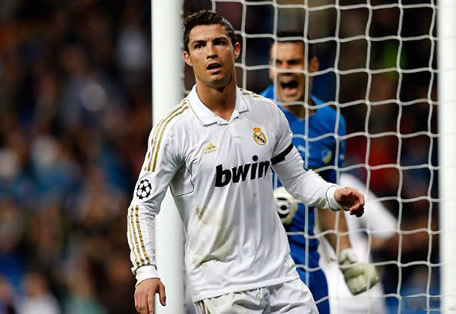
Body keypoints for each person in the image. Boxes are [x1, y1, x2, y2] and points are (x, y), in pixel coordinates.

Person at [127, 10, 365, 314]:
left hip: (281, 278)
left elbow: (297, 178)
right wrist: (146, 271)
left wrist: (332, 194)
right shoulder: (174, 130)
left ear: (236, 49)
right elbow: (141, 207)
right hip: (222, 289)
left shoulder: (266, 113)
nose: (211, 52)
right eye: (199, 46)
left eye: (219, 42)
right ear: (187, 57)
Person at [261, 31, 379, 313]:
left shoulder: (331, 123)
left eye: (293, 62)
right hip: (260, 264)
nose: (285, 70)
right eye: (278, 63)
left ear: (312, 66)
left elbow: (328, 200)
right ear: (270, 68)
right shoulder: (253, 114)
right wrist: (267, 204)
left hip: (307, 260)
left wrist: (347, 256)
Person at [319, 173, 397, 313]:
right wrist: (359, 245)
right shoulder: (345, 182)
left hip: (327, 294)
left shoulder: (287, 186)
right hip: (366, 285)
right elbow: (387, 229)